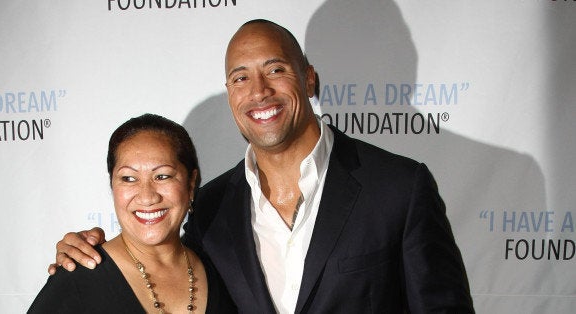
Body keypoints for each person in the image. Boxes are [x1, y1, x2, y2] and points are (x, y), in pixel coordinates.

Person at [50, 20, 474, 313]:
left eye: (276, 69)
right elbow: (160, 271)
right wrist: (84, 258)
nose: (259, 91)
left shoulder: (399, 186)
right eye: (240, 78)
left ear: (309, 79)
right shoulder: (211, 208)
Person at [30, 114, 236, 313]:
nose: (147, 197)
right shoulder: (78, 278)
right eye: (128, 178)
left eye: (162, 176)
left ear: (191, 184)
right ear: (112, 185)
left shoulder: (220, 270)